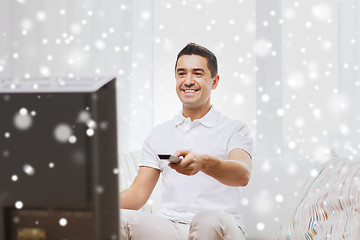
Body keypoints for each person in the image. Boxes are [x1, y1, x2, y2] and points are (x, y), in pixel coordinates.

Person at [120, 43, 253, 240]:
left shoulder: (235, 129)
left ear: (214, 81)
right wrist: (92, 204)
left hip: (222, 226)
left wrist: (204, 163)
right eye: (181, 73)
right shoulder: (159, 133)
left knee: (206, 221)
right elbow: (138, 194)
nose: (188, 81)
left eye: (197, 73)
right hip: (171, 227)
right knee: (118, 218)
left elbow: (242, 175)